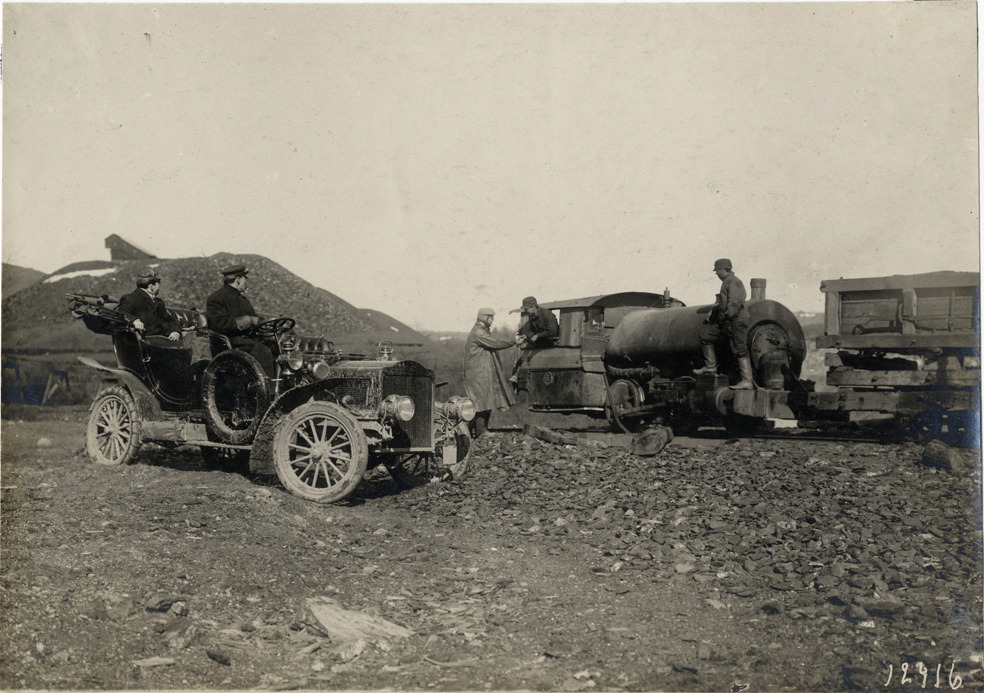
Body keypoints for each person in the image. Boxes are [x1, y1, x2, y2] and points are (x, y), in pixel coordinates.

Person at [693, 258, 755, 390]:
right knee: (706, 335)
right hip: (728, 320)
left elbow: (734, 303)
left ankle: (747, 380)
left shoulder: (734, 281)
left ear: (722, 270)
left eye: (717, 271)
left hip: (736, 320)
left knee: (739, 348)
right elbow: (725, 302)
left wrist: (727, 319)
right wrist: (714, 310)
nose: (716, 274)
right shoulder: (728, 282)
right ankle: (710, 367)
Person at [205, 264, 276, 378]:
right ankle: (268, 388)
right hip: (231, 341)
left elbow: (255, 320)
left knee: (275, 347)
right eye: (244, 279)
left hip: (247, 340)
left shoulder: (243, 300)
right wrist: (248, 320)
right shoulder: (216, 298)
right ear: (238, 279)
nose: (246, 283)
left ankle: (282, 383)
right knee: (263, 351)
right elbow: (220, 324)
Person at [463, 308, 516, 436]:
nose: (493, 320)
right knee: (482, 401)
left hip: (480, 373)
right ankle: (481, 430)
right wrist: (514, 340)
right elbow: (496, 343)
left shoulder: (481, 331)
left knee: (483, 400)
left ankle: (472, 431)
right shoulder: (479, 333)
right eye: (491, 317)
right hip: (478, 374)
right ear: (485, 318)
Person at [117, 268, 183, 345]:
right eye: (158, 284)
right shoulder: (130, 298)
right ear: (152, 286)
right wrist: (134, 320)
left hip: (164, 342)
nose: (159, 287)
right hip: (146, 345)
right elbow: (121, 313)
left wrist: (175, 331)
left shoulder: (158, 302)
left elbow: (171, 320)